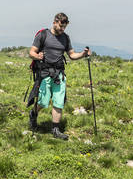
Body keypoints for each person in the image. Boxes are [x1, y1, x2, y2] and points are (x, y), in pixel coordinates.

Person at [28, 12, 91, 140]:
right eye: (61, 26)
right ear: (55, 22)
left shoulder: (65, 38)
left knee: (58, 102)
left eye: (64, 27)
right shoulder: (43, 35)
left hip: (59, 75)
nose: (62, 29)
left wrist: (83, 54)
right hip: (44, 73)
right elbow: (31, 52)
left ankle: (55, 129)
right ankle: (33, 114)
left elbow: (72, 55)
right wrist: (37, 56)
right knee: (43, 101)